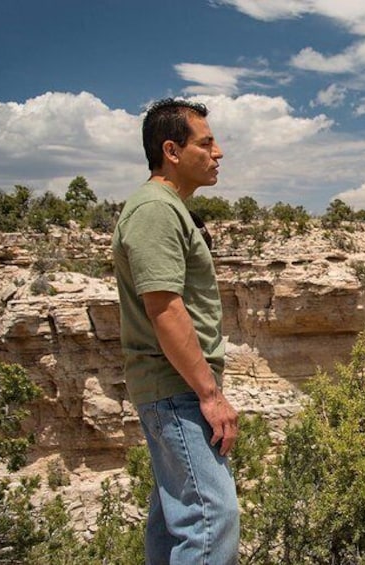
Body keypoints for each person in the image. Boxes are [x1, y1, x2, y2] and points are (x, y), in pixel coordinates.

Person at [113, 98, 240, 564]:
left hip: (174, 387)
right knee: (212, 522)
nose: (218, 153)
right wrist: (209, 393)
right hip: (177, 390)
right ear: (171, 149)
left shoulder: (170, 209)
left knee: (172, 524)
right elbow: (164, 307)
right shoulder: (155, 210)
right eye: (206, 143)